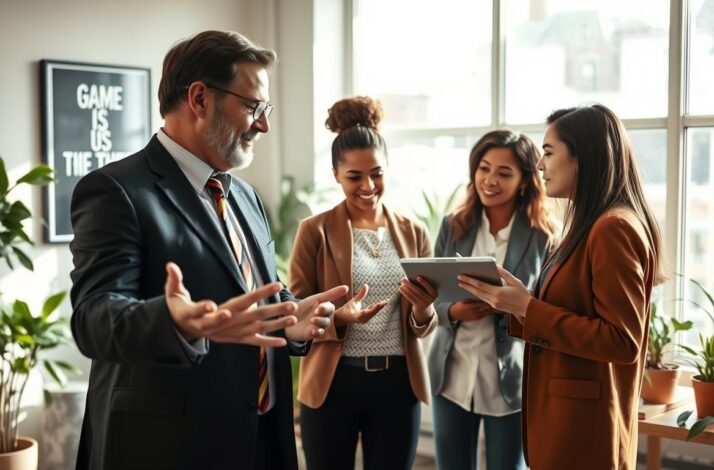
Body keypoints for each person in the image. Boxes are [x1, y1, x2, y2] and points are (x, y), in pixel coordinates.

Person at [69, 30, 347, 470]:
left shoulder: (246, 197)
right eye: (253, 107)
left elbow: (251, 297)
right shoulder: (116, 191)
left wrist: (291, 319)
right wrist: (174, 320)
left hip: (263, 442)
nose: (264, 125)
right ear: (200, 99)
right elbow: (92, 319)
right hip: (170, 447)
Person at [459, 104, 663, 470]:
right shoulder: (591, 224)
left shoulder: (612, 228)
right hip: (570, 422)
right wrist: (519, 304)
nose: (540, 165)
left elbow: (621, 340)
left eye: (548, 153)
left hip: (583, 430)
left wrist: (527, 308)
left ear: (581, 158)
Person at [287, 96, 438, 470]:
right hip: (333, 384)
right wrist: (339, 317)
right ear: (336, 175)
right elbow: (296, 311)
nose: (368, 185)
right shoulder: (314, 231)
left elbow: (425, 322)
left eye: (377, 173)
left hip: (397, 386)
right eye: (354, 176)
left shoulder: (413, 231)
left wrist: (422, 309)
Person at [428, 130, 557, 470]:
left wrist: (509, 307)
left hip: (510, 380)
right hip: (451, 373)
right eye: (484, 169)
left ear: (525, 181)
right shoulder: (453, 226)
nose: (490, 180)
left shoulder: (543, 237)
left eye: (504, 172)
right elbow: (433, 299)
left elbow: (547, 310)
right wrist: (453, 311)